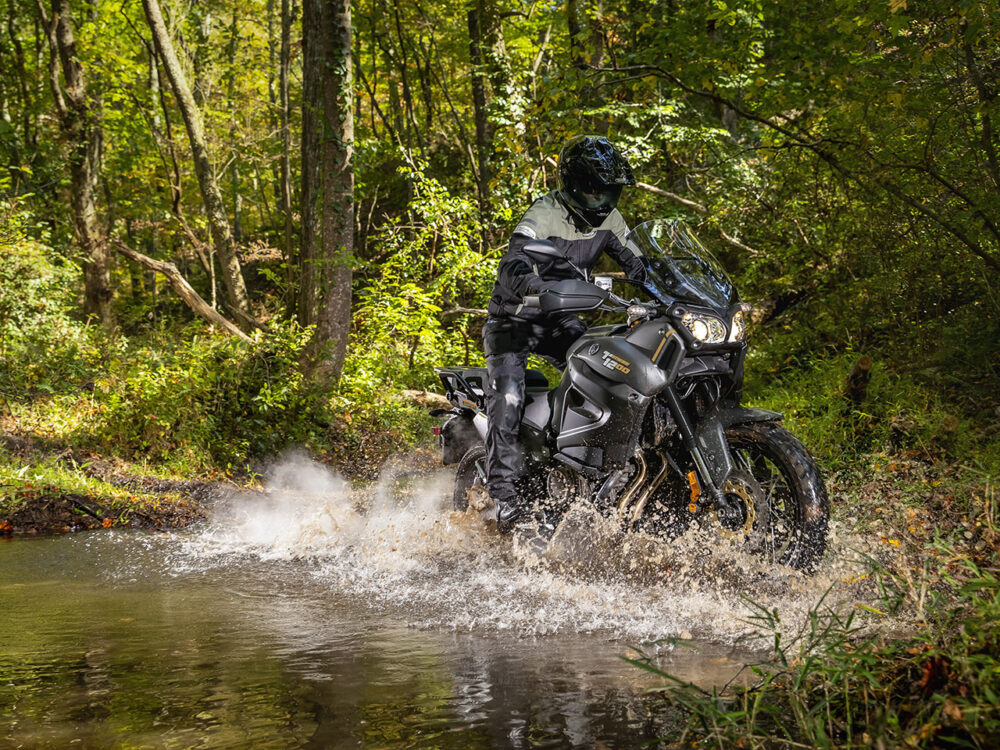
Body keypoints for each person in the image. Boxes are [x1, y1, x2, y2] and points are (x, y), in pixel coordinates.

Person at [482, 135, 647, 531]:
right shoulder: (544, 213)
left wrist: (673, 287)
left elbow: (642, 264)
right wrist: (538, 287)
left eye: (609, 192)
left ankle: (596, 468)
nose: (602, 201)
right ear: (572, 186)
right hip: (514, 319)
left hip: (562, 320)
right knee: (508, 397)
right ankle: (501, 498)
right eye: (594, 191)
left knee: (612, 372)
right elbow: (513, 264)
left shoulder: (611, 220)